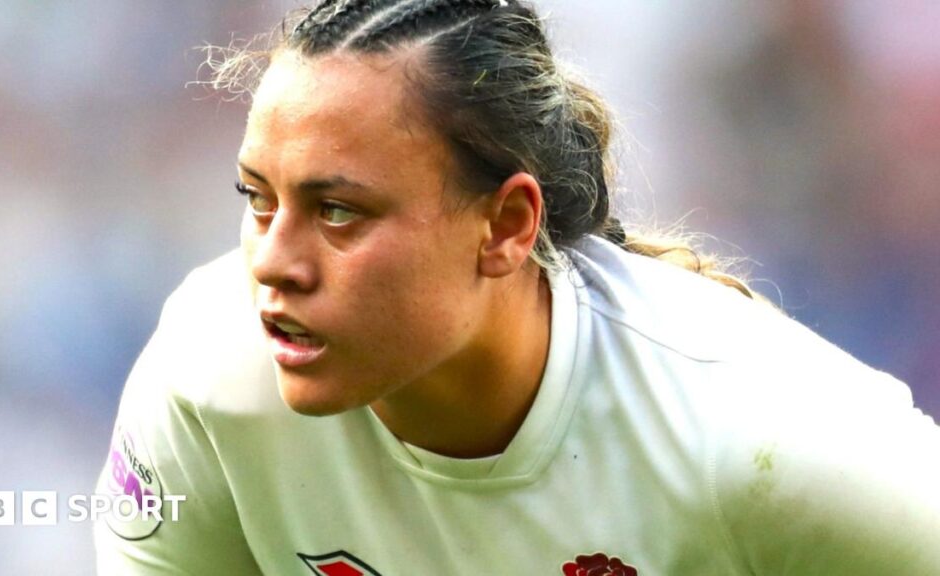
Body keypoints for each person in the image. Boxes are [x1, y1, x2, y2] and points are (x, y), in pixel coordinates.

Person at [93, 1, 940, 574]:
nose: (274, 263)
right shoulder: (210, 380)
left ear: (505, 227)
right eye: (258, 199)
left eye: (339, 211)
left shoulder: (771, 443)